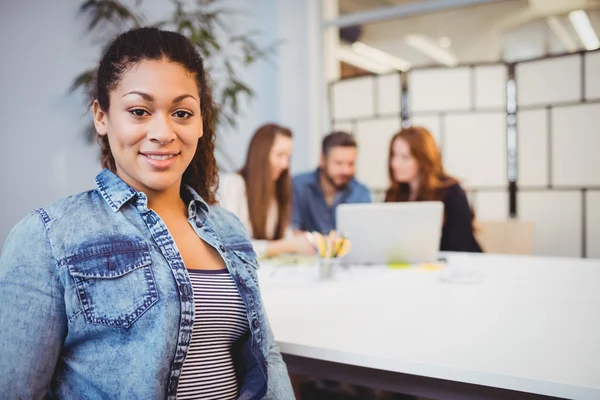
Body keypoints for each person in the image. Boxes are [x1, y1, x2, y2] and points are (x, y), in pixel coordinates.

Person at [0, 27, 293, 399]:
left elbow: (265, 358)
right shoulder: (46, 236)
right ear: (101, 116)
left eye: (182, 113)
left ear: (201, 121)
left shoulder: (227, 228)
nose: (163, 132)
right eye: (139, 111)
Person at [219, 123, 314, 258]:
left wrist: (303, 239)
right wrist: (290, 245)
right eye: (279, 155)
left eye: (288, 157)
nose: (285, 164)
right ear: (261, 154)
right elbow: (232, 247)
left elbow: (281, 238)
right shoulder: (233, 184)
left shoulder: (277, 190)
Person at [385, 126, 482, 252]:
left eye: (405, 157)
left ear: (422, 160)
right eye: (394, 155)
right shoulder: (395, 193)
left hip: (457, 263)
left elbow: (461, 243)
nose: (395, 163)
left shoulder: (451, 191)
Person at [292, 131, 371, 234]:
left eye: (351, 164)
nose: (345, 170)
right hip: (306, 250)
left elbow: (364, 235)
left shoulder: (361, 193)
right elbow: (292, 230)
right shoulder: (298, 186)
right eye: (339, 163)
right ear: (322, 160)